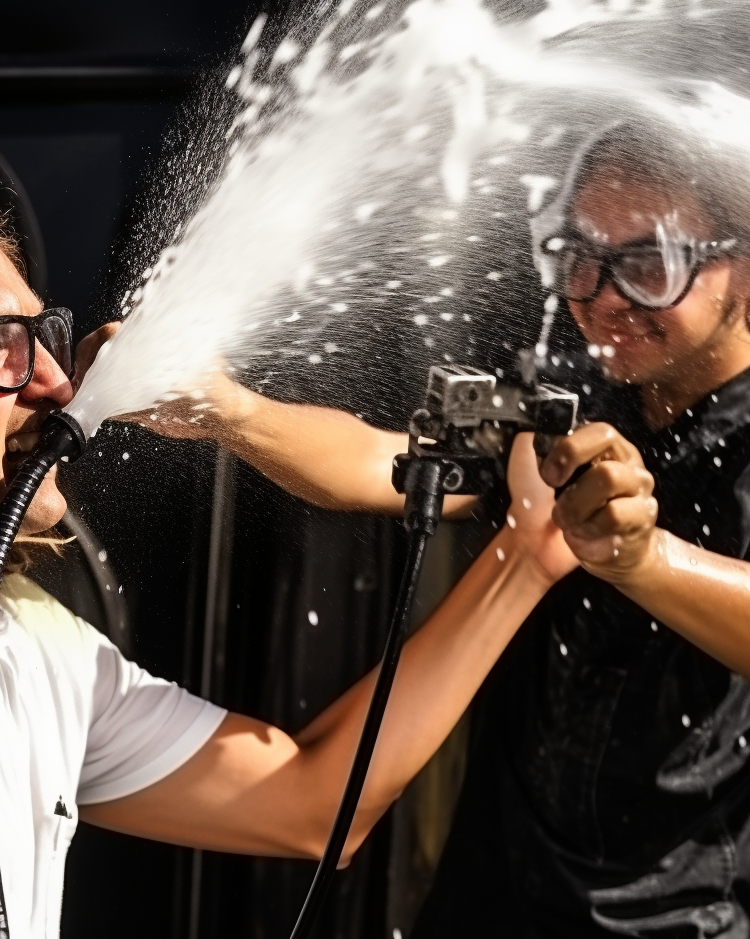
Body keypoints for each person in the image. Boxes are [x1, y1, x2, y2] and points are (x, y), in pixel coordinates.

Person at [0, 173, 574, 939]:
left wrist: (527, 553)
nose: (57, 382)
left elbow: (313, 803)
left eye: (41, 333)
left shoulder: (16, 639)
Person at [136, 123, 750, 936]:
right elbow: (376, 460)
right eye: (580, 258)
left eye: (649, 266)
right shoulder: (571, 394)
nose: (604, 299)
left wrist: (644, 560)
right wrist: (233, 414)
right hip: (486, 905)